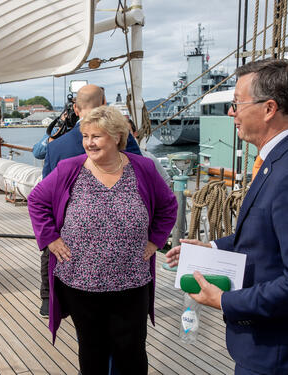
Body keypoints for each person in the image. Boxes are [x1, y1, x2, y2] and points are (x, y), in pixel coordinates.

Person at [166, 59, 288, 375]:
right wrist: (213, 249)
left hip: (277, 353)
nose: (231, 112)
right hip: (269, 345)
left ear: (269, 108)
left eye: (236, 104)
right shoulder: (282, 159)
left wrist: (226, 301)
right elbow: (266, 235)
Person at [28, 105, 177, 375]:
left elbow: (168, 206)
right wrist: (50, 238)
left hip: (131, 280)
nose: (89, 143)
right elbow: (37, 200)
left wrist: (155, 240)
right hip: (81, 280)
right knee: (91, 349)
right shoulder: (69, 169)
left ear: (117, 137)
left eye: (96, 136)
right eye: (85, 136)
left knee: (131, 351)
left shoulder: (143, 168)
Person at [38, 84, 142, 317]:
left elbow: (43, 198)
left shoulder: (56, 147)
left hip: (70, 240)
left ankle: (51, 301)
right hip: (120, 249)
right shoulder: (121, 139)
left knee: (88, 331)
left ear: (75, 108)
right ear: (104, 104)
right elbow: (142, 181)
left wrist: (51, 237)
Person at [128, 119, 170, 184]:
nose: (123, 135)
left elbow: (165, 180)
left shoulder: (148, 158)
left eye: (127, 132)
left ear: (135, 134)